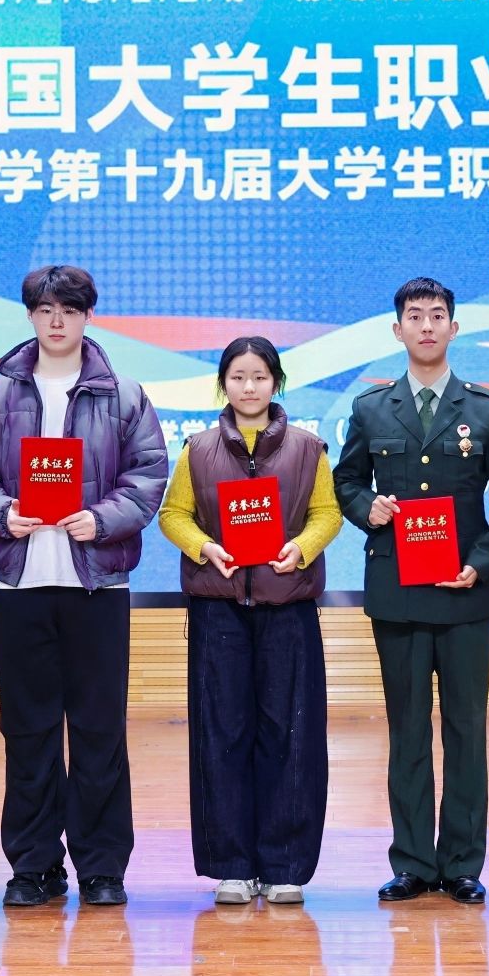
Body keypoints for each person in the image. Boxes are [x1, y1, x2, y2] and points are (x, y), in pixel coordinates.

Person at [0, 265, 169, 908]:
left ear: (87, 316)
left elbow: (148, 475)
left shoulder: (124, 395)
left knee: (100, 730)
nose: (56, 321)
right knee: (27, 731)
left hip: (98, 587)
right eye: (45, 309)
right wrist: (1, 513)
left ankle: (102, 866)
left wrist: (101, 519)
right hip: (21, 586)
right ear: (29, 316)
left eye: (69, 310)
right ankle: (33, 866)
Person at [335, 277, 489, 906]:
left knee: (466, 731)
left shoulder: (487, 409)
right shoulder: (371, 408)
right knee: (408, 730)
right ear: (397, 330)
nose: (426, 325)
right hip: (398, 591)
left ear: (453, 327)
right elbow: (346, 483)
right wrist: (368, 508)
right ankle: (413, 861)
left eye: (437, 315)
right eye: (414, 316)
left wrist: (479, 563)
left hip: (465, 593)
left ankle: (463, 863)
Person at [157, 337, 341, 905]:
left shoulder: (308, 448)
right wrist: (205, 547)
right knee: (222, 733)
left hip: (288, 608)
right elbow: (173, 514)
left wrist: (301, 549)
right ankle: (231, 865)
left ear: (275, 383)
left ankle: (285, 866)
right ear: (223, 385)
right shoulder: (198, 449)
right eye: (238, 377)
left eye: (260, 376)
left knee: (290, 734)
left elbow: (327, 513)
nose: (249, 387)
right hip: (219, 610)